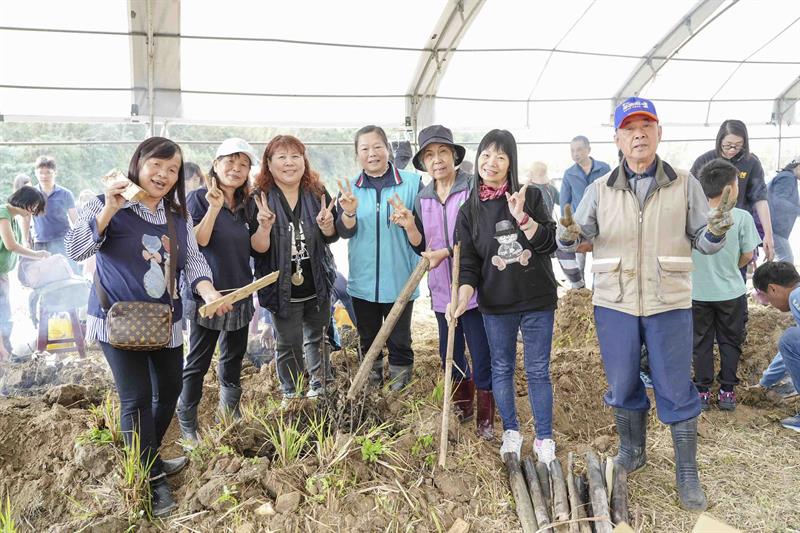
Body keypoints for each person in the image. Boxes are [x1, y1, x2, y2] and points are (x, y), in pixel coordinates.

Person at [557, 97, 735, 511]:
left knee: (675, 387)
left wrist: (718, 231)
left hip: (668, 301)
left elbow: (703, 243)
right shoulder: (599, 189)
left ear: (659, 133)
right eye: (629, 127)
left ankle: (686, 473)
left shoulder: (684, 183)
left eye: (646, 126)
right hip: (615, 302)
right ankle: (633, 451)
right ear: (617, 138)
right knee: (621, 383)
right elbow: (577, 234)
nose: (638, 133)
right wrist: (566, 235)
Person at [65, 137, 232, 517]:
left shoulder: (177, 216)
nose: (164, 174)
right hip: (118, 320)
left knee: (171, 388)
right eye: (157, 164)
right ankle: (152, 479)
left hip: (164, 321)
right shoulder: (106, 202)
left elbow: (194, 262)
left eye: (172, 170)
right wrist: (109, 209)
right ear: (138, 162)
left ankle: (146, 455)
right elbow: (76, 251)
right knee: (136, 398)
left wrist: (208, 293)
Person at [451, 129, 559, 463]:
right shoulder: (469, 210)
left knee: (538, 370)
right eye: (485, 154)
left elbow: (549, 245)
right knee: (502, 368)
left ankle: (544, 438)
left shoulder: (532, 196)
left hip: (537, 300)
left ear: (511, 161)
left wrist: (522, 218)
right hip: (496, 306)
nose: (491, 162)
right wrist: (460, 298)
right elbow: (468, 264)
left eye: (500, 155)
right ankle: (511, 431)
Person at [408, 125, 494, 440]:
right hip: (442, 291)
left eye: (443, 152)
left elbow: (481, 235)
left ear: (454, 156)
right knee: (450, 351)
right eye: (430, 155)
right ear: (423, 163)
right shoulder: (423, 197)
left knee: (481, 352)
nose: (437, 160)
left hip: (474, 289)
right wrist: (408, 227)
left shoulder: (473, 188)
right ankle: (462, 406)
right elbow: (421, 245)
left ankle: (486, 418)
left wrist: (448, 251)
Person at [176, 139, 260, 444]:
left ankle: (230, 411)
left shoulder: (248, 203)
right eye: (230, 162)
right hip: (205, 293)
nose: (235, 170)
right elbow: (195, 243)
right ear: (215, 164)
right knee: (198, 359)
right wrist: (213, 209)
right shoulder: (198, 199)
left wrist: (262, 226)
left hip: (240, 290)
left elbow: (254, 246)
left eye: (243, 165)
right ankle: (187, 419)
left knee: (234, 355)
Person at [252, 135, 339, 405]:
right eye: (281, 157)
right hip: (281, 285)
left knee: (318, 336)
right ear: (269, 162)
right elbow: (257, 249)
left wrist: (327, 226)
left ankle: (320, 387)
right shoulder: (259, 198)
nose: (289, 163)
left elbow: (331, 236)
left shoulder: (318, 193)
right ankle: (291, 392)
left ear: (304, 161)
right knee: (288, 342)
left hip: (317, 280)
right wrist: (264, 227)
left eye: (295, 157)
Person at [335, 125, 422, 390]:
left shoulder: (412, 183)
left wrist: (409, 223)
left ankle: (400, 391)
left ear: (388, 149)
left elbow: (422, 239)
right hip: (363, 282)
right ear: (357, 154)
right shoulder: (349, 189)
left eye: (377, 147)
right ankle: (370, 389)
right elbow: (342, 231)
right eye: (364, 149)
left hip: (401, 281)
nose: (371, 153)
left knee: (400, 340)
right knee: (367, 339)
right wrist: (349, 213)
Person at [691, 159, 761, 412]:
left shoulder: (692, 217)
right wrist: (731, 266)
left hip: (696, 292)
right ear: (731, 189)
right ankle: (727, 391)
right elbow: (747, 255)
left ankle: (701, 392)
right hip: (731, 292)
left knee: (701, 343)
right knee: (730, 341)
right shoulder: (741, 217)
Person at [691, 119, 774, 265]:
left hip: (737, 226)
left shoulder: (751, 163)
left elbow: (760, 199)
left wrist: (768, 234)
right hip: (706, 226)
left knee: (737, 265)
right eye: (727, 145)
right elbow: (690, 195)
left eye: (737, 146)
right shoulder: (704, 161)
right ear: (719, 140)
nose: (732, 150)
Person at [0, 186, 50, 360]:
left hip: (2, 274)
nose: (33, 211)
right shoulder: (3, 213)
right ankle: (4, 358)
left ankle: (6, 355)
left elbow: (18, 246)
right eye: (33, 206)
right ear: (25, 202)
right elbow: (10, 245)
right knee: (2, 316)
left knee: (5, 317)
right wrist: (37, 255)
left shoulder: (13, 218)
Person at [752, 261, 800, 432]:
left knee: (790, 338)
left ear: (772, 288)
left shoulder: (796, 297)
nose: (770, 303)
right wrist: (766, 381)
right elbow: (790, 351)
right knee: (792, 338)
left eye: (766, 296)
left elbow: (790, 345)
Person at [558, 136, 610, 289]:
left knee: (601, 263)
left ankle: (598, 293)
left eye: (579, 149)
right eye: (572, 150)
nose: (575, 153)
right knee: (578, 263)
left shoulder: (604, 168)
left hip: (602, 224)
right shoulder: (569, 174)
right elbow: (564, 202)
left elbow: (612, 194)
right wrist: (568, 227)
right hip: (578, 227)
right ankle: (578, 293)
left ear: (588, 149)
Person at [767, 155, 800, 264]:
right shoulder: (788, 178)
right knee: (786, 261)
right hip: (775, 228)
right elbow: (779, 202)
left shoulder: (788, 177)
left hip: (774, 227)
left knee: (782, 260)